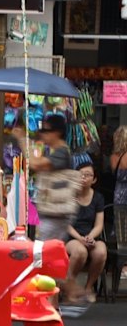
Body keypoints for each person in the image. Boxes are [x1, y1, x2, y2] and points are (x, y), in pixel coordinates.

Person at [13, 114, 73, 241]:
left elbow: (35, 164)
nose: (43, 134)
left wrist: (23, 140)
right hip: (50, 212)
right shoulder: (53, 151)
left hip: (56, 214)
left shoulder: (61, 152)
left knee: (43, 253)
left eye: (47, 130)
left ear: (58, 132)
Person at [65, 162, 107, 303]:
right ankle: (69, 287)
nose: (84, 177)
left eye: (88, 175)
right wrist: (80, 238)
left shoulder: (98, 198)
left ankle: (88, 288)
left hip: (91, 236)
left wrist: (90, 237)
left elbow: (99, 224)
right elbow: (66, 224)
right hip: (72, 237)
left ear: (94, 179)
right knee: (80, 252)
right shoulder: (70, 196)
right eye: (81, 174)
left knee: (101, 252)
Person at [110, 125, 127, 279]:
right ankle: (125, 266)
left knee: (121, 230)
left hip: (118, 194)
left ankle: (120, 266)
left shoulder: (114, 157)